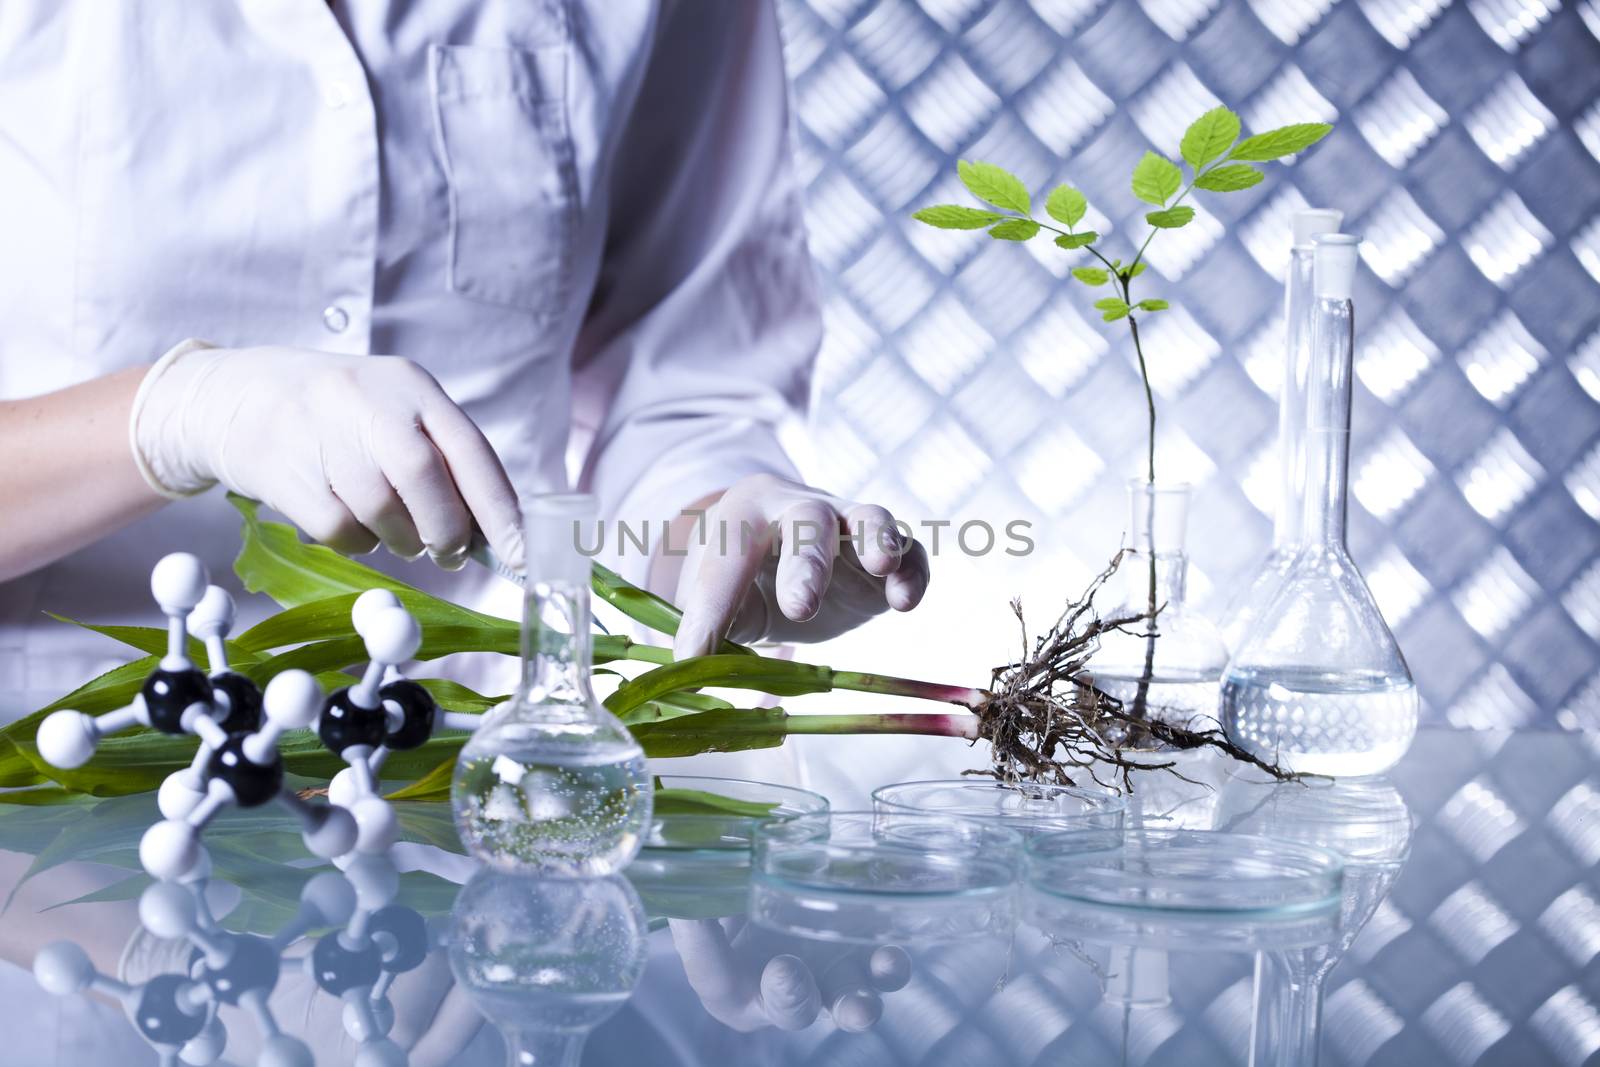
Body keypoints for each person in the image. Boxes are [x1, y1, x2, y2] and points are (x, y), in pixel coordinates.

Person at [0, 0, 929, 707]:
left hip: (472, 779)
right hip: (63, 772)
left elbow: (684, 376)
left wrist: (728, 538)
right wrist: (173, 417)